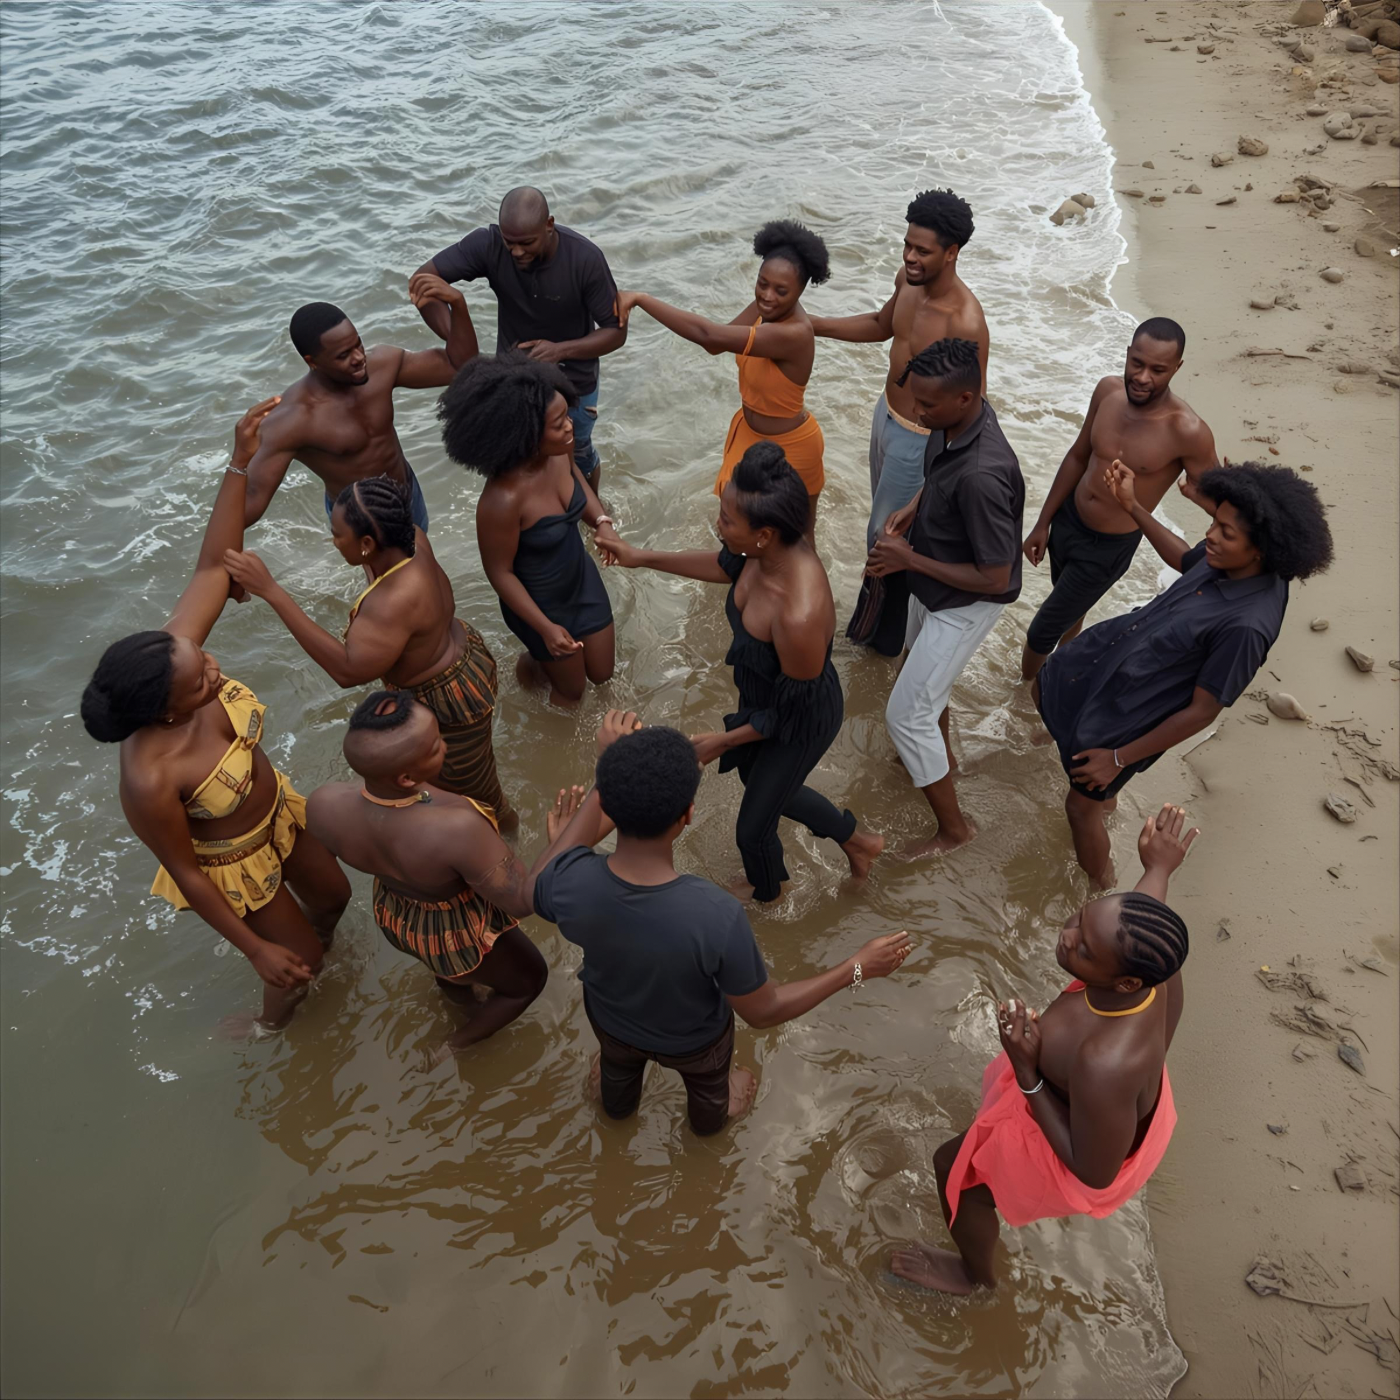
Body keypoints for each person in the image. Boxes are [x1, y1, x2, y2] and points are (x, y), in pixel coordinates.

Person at [80, 400, 351, 1033]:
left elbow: (213, 563)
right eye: (200, 680)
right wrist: (256, 949)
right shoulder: (149, 778)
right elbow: (187, 875)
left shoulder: (174, 651)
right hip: (234, 863)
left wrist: (240, 460)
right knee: (299, 965)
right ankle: (269, 1025)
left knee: (334, 900)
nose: (213, 667)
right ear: (165, 712)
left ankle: (301, 949)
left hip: (279, 807)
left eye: (200, 655)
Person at [534, 722, 913, 1135]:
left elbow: (538, 884)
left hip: (611, 1023)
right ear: (688, 815)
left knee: (616, 1085)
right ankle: (715, 1114)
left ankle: (616, 1102)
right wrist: (857, 966)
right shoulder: (715, 913)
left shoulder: (564, 877)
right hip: (694, 1045)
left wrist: (563, 848)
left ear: (604, 801)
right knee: (710, 1107)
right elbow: (764, 1011)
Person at [890, 803, 1196, 1295]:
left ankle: (975, 1278)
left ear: (1125, 982)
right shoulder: (1151, 962)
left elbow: (1094, 1173)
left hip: (1082, 1137)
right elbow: (1141, 913)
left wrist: (1027, 1072)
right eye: (1080, 919)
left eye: (1084, 949)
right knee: (963, 1156)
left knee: (954, 1171)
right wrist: (1157, 868)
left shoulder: (1104, 1062)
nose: (1067, 936)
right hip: (1103, 1104)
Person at [595, 443, 884, 902]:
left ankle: (769, 894)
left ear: (764, 534)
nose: (718, 524)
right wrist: (639, 556)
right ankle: (858, 842)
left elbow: (788, 715)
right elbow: (722, 564)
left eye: (727, 520)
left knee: (752, 829)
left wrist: (721, 741)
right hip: (765, 703)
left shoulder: (798, 614)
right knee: (770, 789)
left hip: (799, 718)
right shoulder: (760, 554)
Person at [1036, 460, 1334, 886]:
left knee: (1079, 807)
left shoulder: (1247, 626)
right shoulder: (1229, 558)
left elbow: (1201, 712)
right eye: (1214, 522)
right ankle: (1105, 794)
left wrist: (1117, 759)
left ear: (1261, 551)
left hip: (1130, 713)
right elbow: (1184, 558)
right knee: (1045, 687)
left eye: (1226, 532)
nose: (1210, 535)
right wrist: (1133, 505)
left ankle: (1099, 889)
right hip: (1111, 654)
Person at [305, 695, 630, 1063]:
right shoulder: (455, 830)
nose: (445, 744)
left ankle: (458, 993)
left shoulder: (323, 802)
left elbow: (321, 877)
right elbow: (525, 899)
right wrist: (564, 838)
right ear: (407, 778)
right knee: (529, 980)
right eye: (436, 745)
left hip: (399, 914)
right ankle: (451, 1047)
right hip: (458, 928)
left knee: (453, 972)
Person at [223, 474, 513, 826]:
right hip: (464, 658)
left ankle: (504, 842)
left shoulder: (391, 603)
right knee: (473, 780)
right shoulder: (410, 540)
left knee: (471, 797)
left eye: (336, 534)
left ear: (365, 543)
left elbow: (348, 671)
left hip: (451, 700)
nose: (332, 541)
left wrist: (271, 590)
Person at [865, 339, 1024, 855]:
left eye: (927, 406)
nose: (916, 412)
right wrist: (915, 505)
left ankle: (955, 831)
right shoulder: (954, 422)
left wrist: (908, 560)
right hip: (933, 581)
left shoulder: (982, 476)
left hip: (964, 605)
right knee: (918, 678)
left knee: (903, 715)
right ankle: (939, 760)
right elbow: (940, 472)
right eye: (915, 400)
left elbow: (997, 578)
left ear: (966, 398)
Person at [1020, 318, 1219, 681]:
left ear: (1177, 368)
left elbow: (1222, 506)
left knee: (1041, 632)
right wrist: (1043, 521)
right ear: (1127, 355)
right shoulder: (1107, 392)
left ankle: (1025, 695)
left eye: (1158, 370)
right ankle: (1065, 672)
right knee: (1069, 612)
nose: (1143, 377)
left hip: (1106, 549)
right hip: (1068, 521)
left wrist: (1199, 501)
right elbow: (1078, 455)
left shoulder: (1187, 430)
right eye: (1137, 363)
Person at [616, 220, 831, 537]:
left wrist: (641, 299)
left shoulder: (793, 333)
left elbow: (710, 337)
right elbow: (719, 344)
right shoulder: (766, 309)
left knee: (794, 543)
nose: (768, 295)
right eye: (762, 283)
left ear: (801, 290)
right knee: (735, 535)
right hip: (747, 436)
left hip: (790, 449)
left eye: (781, 290)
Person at [809, 188, 989, 551]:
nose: (910, 257)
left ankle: (874, 606)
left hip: (920, 441)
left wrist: (928, 489)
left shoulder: (964, 322)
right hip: (885, 416)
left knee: (885, 539)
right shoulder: (907, 280)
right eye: (907, 245)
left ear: (952, 253)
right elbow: (880, 325)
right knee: (883, 527)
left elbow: (972, 414)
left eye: (923, 251)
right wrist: (810, 324)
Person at [411, 186, 625, 490]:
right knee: (516, 461)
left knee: (575, 455)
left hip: (574, 381)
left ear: (549, 225)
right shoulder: (488, 244)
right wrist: (457, 339)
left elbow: (616, 331)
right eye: (509, 243)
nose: (516, 252)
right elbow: (422, 282)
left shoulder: (585, 258)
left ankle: (594, 519)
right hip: (515, 382)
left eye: (526, 243)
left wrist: (560, 351)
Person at [438, 353, 615, 707]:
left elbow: (576, 478)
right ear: (527, 435)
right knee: (571, 692)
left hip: (581, 580)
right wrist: (545, 630)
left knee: (602, 672)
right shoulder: (501, 500)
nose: (570, 426)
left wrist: (602, 522)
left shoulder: (560, 454)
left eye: (567, 415)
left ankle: (544, 662)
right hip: (539, 604)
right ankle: (532, 666)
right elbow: (499, 573)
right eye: (559, 422)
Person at [242, 283, 477, 532]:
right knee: (395, 572)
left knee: (423, 563)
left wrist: (458, 304)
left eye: (358, 344)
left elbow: (459, 366)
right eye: (343, 355)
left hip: (407, 495)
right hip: (362, 520)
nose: (358, 358)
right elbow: (251, 501)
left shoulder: (382, 365)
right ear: (312, 362)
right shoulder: (294, 420)